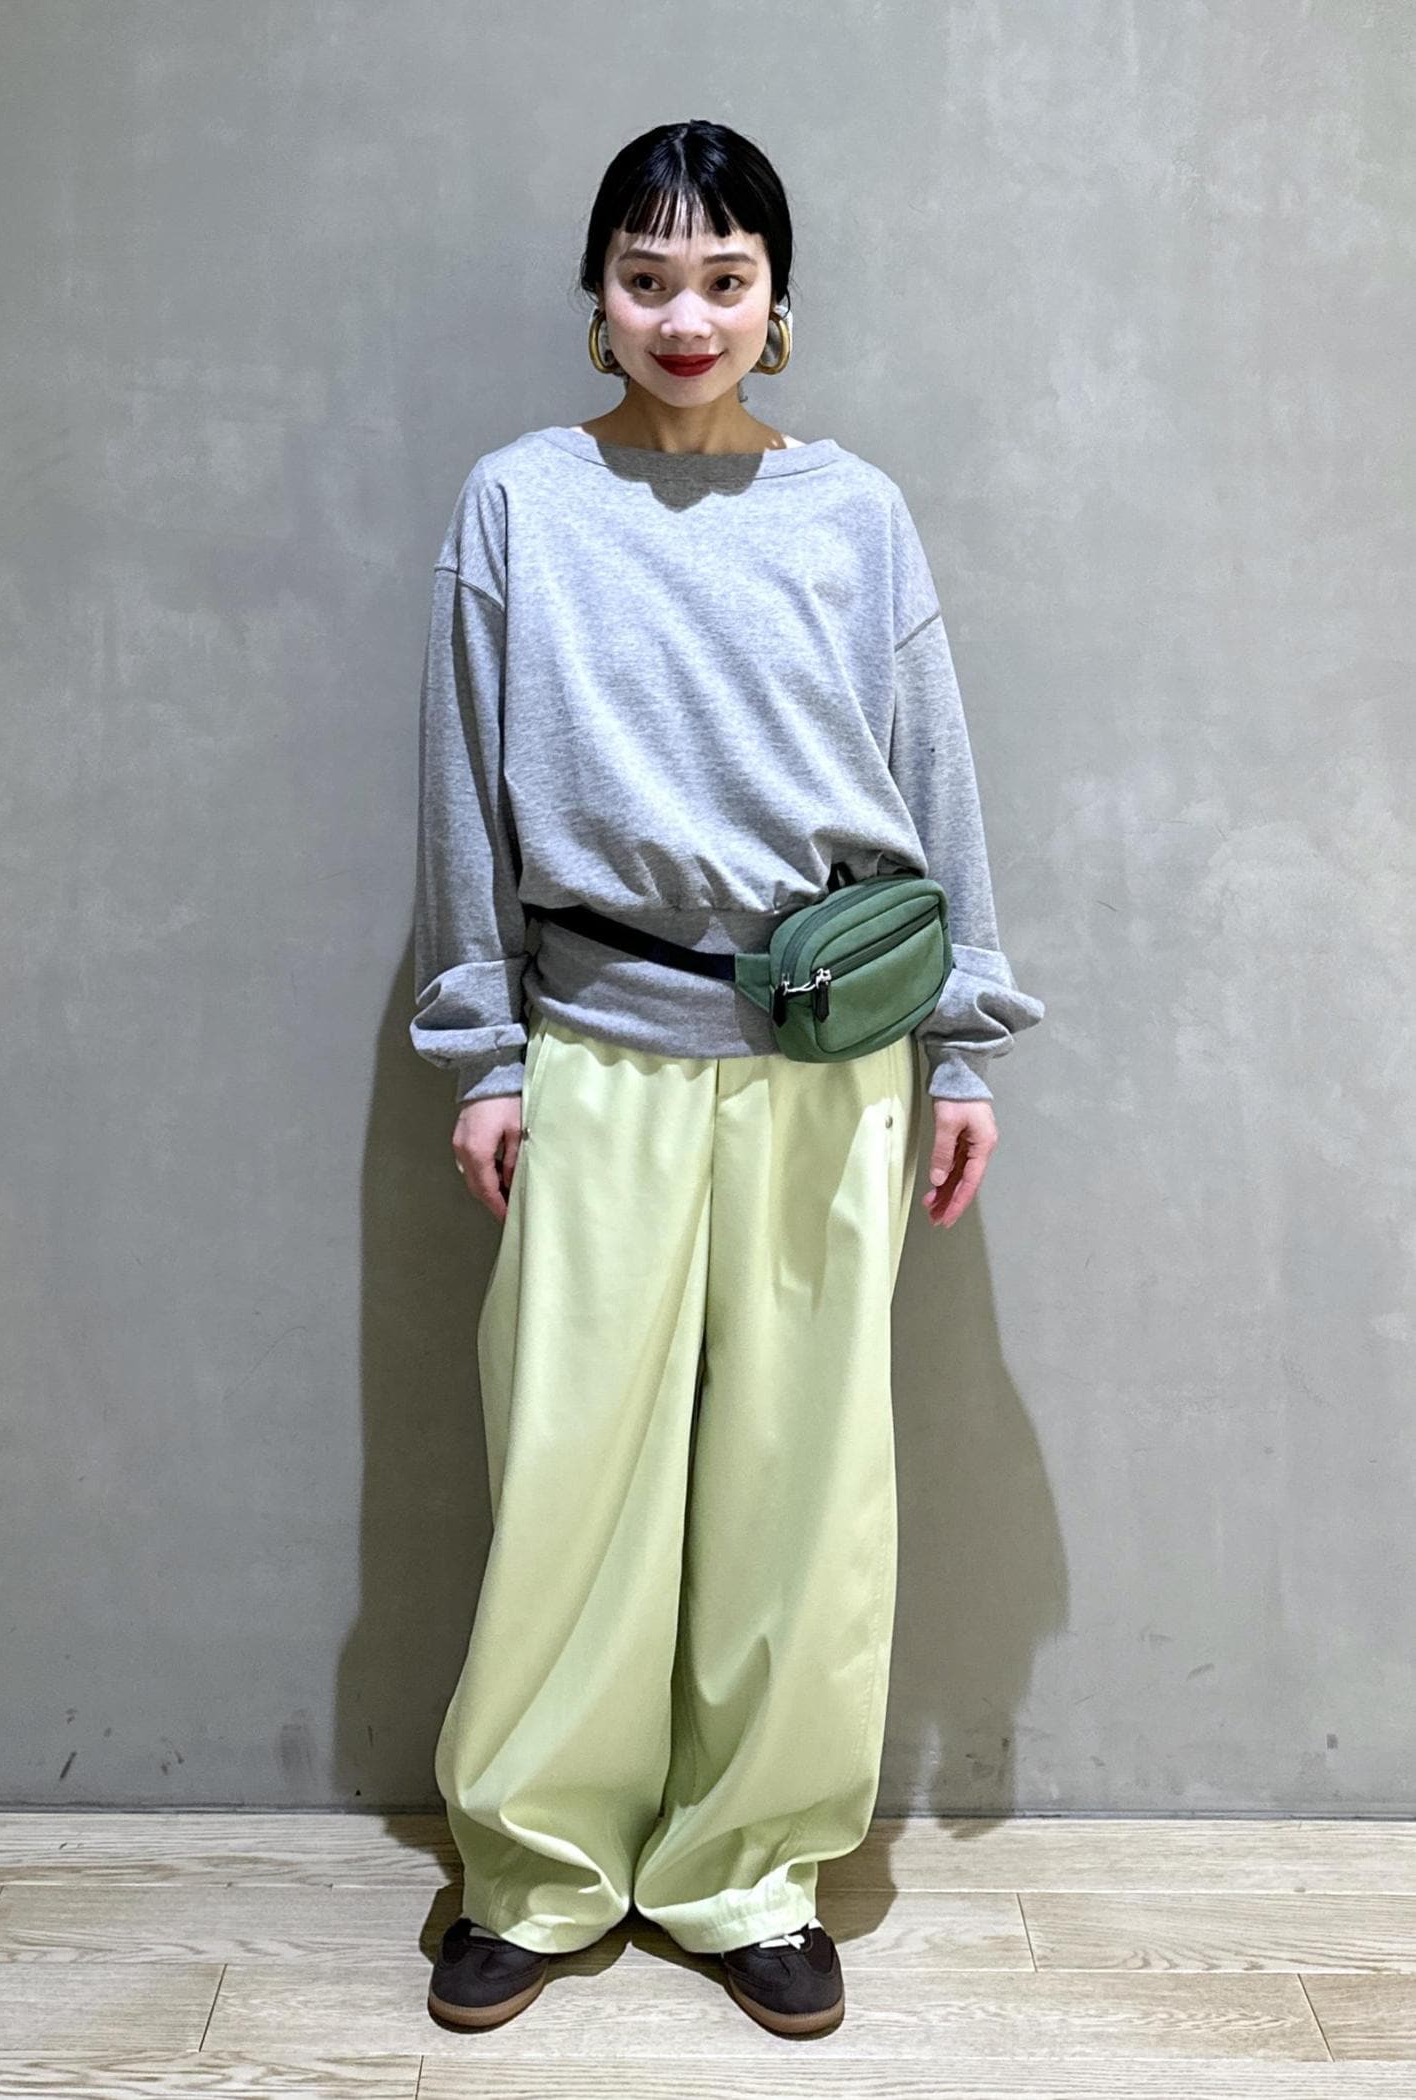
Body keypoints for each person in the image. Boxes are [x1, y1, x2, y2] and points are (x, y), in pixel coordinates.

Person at [410, 119, 1044, 2037]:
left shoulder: (855, 514)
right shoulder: (521, 502)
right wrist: (480, 1049)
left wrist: (966, 1042)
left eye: (724, 278)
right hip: (598, 1049)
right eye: (646, 278)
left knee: (800, 1482)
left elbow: (936, 778)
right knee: (572, 1478)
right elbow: (461, 795)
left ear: (780, 303)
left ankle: (750, 1869)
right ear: (594, 298)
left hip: (830, 1066)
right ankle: (538, 1868)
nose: (684, 316)